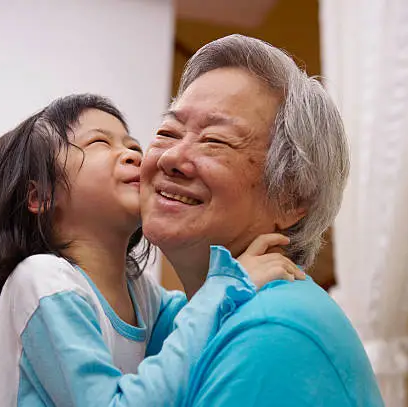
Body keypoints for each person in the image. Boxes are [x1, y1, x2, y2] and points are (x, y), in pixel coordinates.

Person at [0, 93, 304, 406]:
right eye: (100, 142)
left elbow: (190, 337)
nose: (134, 154)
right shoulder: (42, 282)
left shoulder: (143, 295)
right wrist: (227, 287)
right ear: (40, 197)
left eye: (132, 144)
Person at [140, 34, 384, 406]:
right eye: (167, 132)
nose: (171, 157)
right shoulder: (183, 316)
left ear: (290, 197)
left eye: (214, 141)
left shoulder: (273, 328)